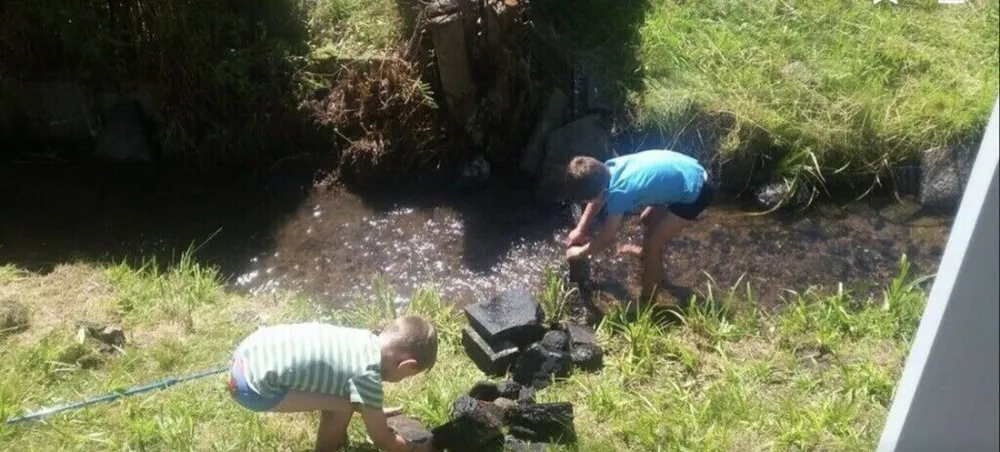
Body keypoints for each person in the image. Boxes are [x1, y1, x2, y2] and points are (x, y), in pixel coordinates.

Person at [227, 316, 439, 452]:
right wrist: (413, 449)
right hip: (251, 389)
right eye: (408, 376)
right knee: (343, 404)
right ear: (406, 366)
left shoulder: (361, 339)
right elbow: (383, 439)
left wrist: (370, 409)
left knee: (341, 396)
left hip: (247, 354)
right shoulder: (367, 375)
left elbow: (341, 377)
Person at [563, 149, 716, 308]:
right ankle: (651, 263)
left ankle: (648, 300)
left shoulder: (619, 192)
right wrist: (581, 229)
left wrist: (580, 253)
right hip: (687, 172)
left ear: (599, 193)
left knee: (653, 244)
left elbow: (607, 237)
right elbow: (597, 200)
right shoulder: (609, 168)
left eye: (588, 199)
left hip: (697, 191)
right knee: (646, 219)